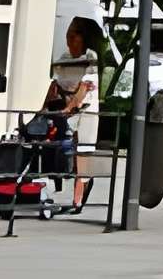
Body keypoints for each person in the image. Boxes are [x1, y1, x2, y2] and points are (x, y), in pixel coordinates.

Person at [47, 18, 103, 213]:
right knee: (61, 148)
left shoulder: (90, 57)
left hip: (86, 111)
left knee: (83, 153)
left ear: (83, 38)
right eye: (67, 36)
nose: (69, 41)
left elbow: (84, 88)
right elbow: (55, 84)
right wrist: (45, 105)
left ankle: (78, 198)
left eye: (73, 37)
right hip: (67, 111)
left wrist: (71, 106)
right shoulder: (65, 58)